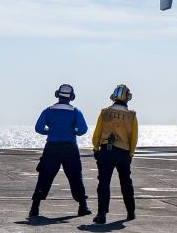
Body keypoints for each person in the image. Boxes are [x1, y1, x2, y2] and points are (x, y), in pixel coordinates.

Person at [29, 84, 91, 219]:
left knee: (44, 177)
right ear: (72, 97)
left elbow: (38, 128)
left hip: (52, 147)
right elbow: (83, 130)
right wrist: (71, 131)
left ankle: (35, 208)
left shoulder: (48, 111)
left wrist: (50, 131)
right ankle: (83, 206)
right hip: (70, 148)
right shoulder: (76, 111)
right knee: (75, 177)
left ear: (57, 94)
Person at [91, 84, 138, 224]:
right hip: (124, 152)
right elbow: (134, 138)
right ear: (127, 98)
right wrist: (131, 153)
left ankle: (101, 214)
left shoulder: (105, 112)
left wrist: (96, 148)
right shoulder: (131, 115)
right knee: (126, 183)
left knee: (104, 183)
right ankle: (131, 212)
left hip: (106, 151)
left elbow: (97, 133)